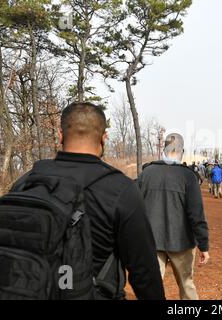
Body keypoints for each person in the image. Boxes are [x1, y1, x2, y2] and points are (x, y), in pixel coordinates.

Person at [10, 102, 165, 300]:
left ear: (60, 135)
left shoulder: (26, 181)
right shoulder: (121, 189)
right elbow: (144, 271)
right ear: (103, 138)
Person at [137, 133, 210, 300]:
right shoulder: (188, 176)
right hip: (182, 242)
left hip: (152, 240)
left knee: (151, 286)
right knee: (186, 284)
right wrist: (204, 245)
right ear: (181, 151)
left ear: (164, 149)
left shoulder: (146, 174)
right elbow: (196, 214)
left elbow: (135, 208)